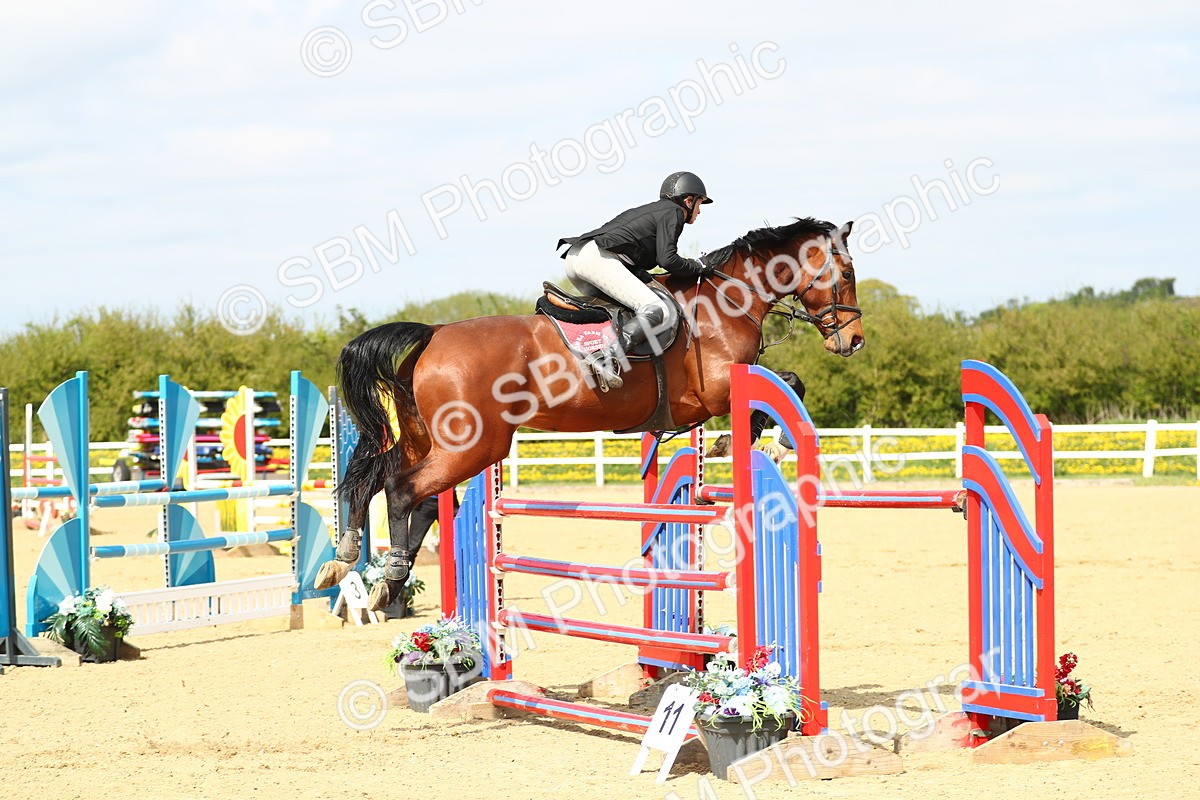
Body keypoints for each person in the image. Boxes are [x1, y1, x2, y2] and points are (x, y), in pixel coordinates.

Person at [556, 171, 715, 389]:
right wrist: (698, 266)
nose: (699, 211)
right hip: (595, 258)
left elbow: (638, 262)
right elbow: (667, 259)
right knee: (657, 308)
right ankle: (607, 357)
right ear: (688, 201)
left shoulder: (655, 211)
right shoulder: (674, 212)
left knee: (626, 308)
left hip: (577, 258)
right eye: (700, 204)